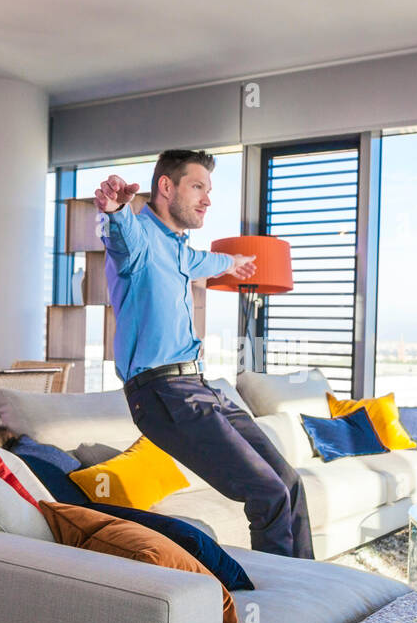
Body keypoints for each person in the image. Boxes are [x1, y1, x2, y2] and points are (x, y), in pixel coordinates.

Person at [95, 149, 314, 559]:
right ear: (166, 187)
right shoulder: (139, 239)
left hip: (199, 386)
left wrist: (235, 261)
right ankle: (285, 606)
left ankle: (316, 588)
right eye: (198, 186)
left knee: (288, 483)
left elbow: (204, 261)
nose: (208, 199)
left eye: (209, 189)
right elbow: (121, 235)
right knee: (266, 494)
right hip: (161, 393)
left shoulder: (178, 249)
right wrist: (116, 209)